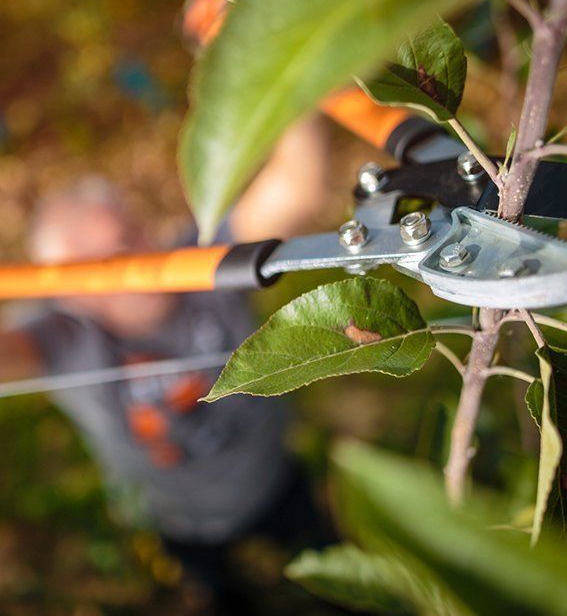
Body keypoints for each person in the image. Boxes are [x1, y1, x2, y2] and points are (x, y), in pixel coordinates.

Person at [0, 114, 331, 614]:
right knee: (222, 600)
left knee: (338, 580)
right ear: (66, 290)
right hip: (179, 520)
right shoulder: (57, 334)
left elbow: (298, 186)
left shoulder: (199, 259)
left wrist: (290, 75)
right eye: (100, 261)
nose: (132, 259)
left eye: (130, 234)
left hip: (273, 480)